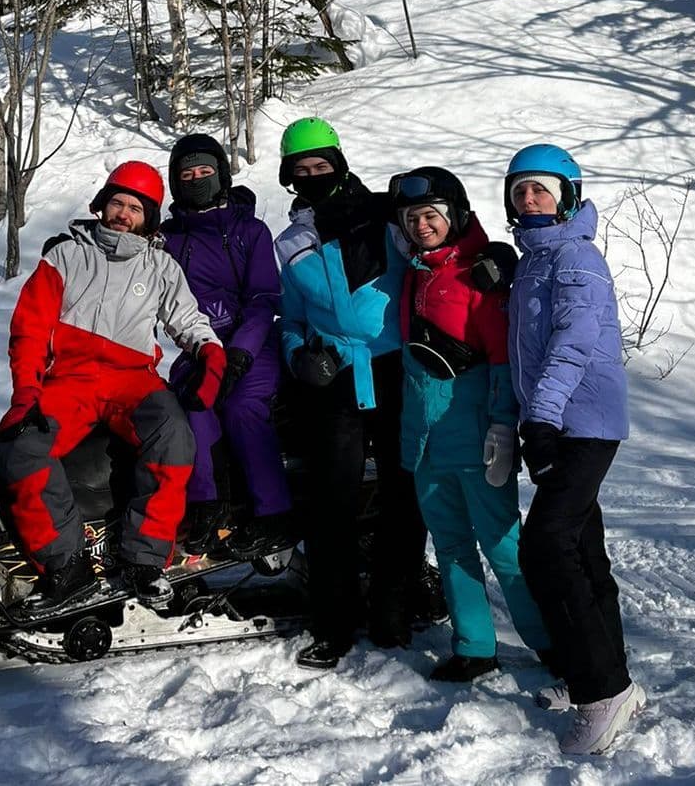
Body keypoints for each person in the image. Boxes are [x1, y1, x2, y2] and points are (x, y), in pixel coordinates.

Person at [0, 160, 225, 611]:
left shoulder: (160, 265)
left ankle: (145, 561)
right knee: (21, 446)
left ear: (149, 218)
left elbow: (186, 319)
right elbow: (30, 329)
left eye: (135, 208)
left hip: (132, 380)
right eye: (118, 203)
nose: (124, 214)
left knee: (174, 435)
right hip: (70, 380)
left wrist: (210, 351)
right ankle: (66, 567)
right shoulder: (65, 256)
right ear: (102, 206)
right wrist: (26, 392)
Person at [505, 143, 645, 755]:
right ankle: (607, 675)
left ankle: (601, 690)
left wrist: (541, 417)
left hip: (582, 420)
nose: (530, 199)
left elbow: (574, 343)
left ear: (567, 195)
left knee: (547, 545)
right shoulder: (532, 261)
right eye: (520, 190)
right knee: (583, 548)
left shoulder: (575, 258)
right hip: (559, 420)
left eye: (541, 188)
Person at [274, 117, 428, 670]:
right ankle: (333, 623)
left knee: (403, 494)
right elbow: (291, 315)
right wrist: (297, 353)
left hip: (394, 368)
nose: (313, 175)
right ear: (289, 177)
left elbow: (438, 246)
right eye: (301, 169)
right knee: (330, 503)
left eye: (321, 165)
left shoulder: (386, 216)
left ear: (339, 164)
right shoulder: (292, 241)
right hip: (335, 376)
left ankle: (393, 612)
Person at [390, 167, 550, 683]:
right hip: (425, 439)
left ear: (454, 215)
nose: (421, 226)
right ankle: (475, 646)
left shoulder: (481, 274)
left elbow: (503, 360)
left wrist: (502, 427)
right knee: (451, 546)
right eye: (411, 219)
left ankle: (552, 644)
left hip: (476, 436)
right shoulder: (415, 271)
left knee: (504, 548)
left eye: (431, 215)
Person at [160, 134, 294, 557]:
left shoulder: (248, 230)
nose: (197, 180)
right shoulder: (167, 239)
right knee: (192, 406)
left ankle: (274, 512)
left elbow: (263, 297)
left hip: (250, 342)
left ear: (220, 175)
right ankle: (207, 503)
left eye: (205, 171)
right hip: (197, 346)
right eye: (188, 174)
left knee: (242, 407)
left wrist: (239, 353)